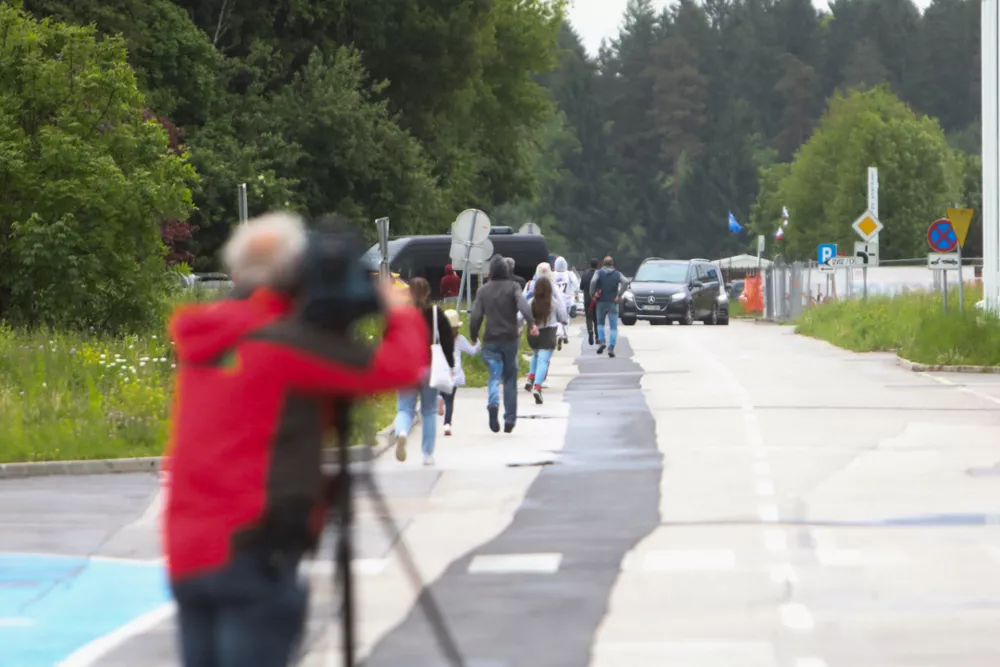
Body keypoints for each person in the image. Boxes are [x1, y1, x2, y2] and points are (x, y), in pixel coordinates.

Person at [163, 211, 428, 667]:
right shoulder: (285, 344)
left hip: (188, 551)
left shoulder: (208, 337)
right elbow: (400, 368)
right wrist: (398, 311)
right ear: (293, 275)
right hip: (252, 551)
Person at [470, 255, 537, 433]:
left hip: (491, 339)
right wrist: (531, 322)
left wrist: (473, 334)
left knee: (494, 376)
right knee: (509, 379)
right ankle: (509, 420)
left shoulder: (483, 290)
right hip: (509, 339)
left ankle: (493, 405)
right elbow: (523, 305)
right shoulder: (513, 287)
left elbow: (476, 315)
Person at [394, 278, 454, 466]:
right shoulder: (436, 314)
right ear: (428, 292)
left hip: (406, 367)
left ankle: (402, 432)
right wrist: (450, 366)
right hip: (429, 367)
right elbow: (447, 342)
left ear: (408, 292)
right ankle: (427, 454)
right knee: (428, 411)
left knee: (405, 408)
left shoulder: (401, 313)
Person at [520, 277, 568, 405]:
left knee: (536, 355)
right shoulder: (553, 302)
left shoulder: (531, 302)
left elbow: (521, 316)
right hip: (548, 334)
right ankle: (537, 387)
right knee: (543, 361)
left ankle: (531, 377)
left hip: (533, 334)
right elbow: (562, 317)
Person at [438, 308, 480, 436]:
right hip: (454, 373)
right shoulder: (459, 339)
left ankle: (439, 397)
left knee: (442, 392)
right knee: (450, 401)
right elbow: (472, 351)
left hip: (442, 371)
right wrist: (477, 342)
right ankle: (447, 425)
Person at [590, 255, 623, 358]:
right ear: (612, 264)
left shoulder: (598, 272)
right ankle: (611, 347)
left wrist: (593, 294)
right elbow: (626, 281)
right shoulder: (617, 274)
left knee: (600, 323)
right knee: (613, 327)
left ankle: (602, 341)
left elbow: (593, 281)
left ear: (603, 264)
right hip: (613, 302)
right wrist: (619, 295)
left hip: (601, 302)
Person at [552, 257, 574, 348]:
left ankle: (560, 333)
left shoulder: (552, 274)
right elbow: (576, 286)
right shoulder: (569, 274)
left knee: (557, 318)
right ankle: (565, 334)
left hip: (556, 299)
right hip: (567, 300)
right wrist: (574, 293)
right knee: (566, 317)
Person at [580, 258, 599, 345]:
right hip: (597, 299)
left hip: (587, 299)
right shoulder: (599, 274)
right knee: (597, 318)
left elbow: (581, 287)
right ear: (598, 265)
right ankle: (598, 336)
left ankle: (590, 331)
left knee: (589, 317)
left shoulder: (585, 274)